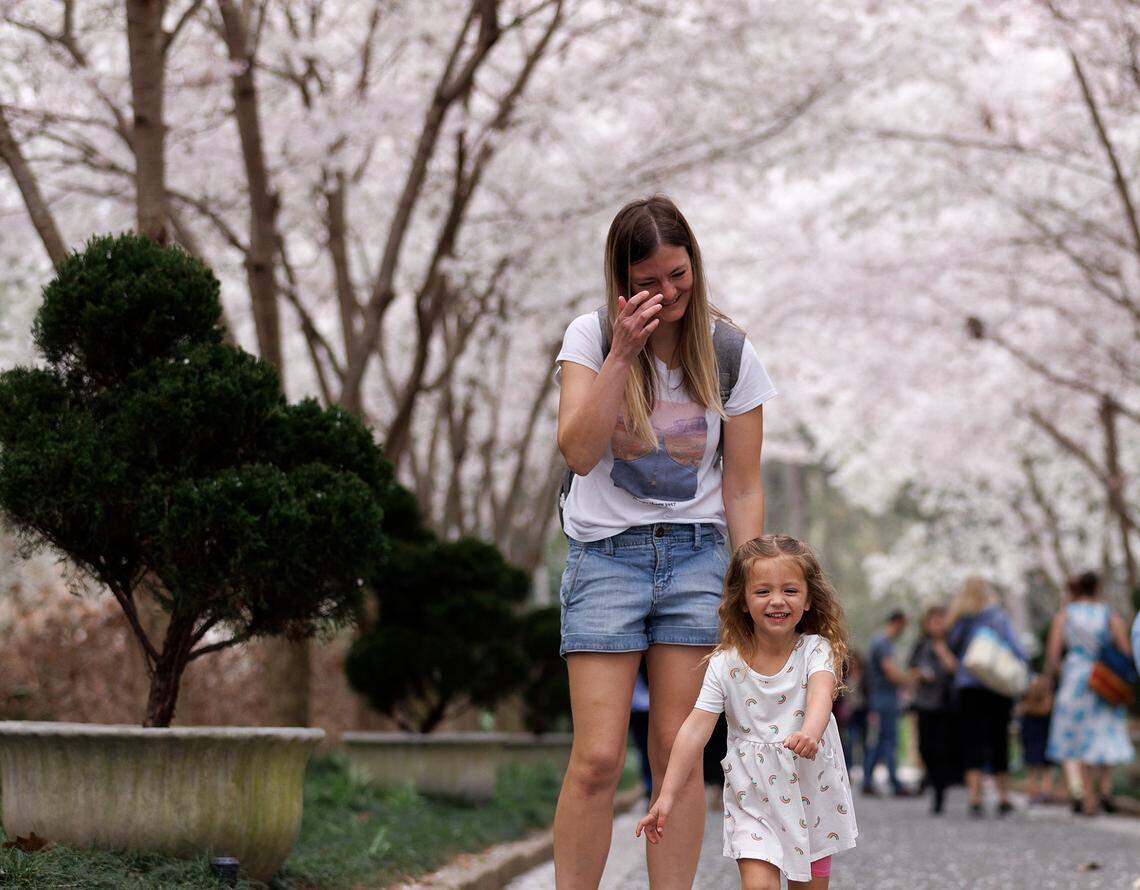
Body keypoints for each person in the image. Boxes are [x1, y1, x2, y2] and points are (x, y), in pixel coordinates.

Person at [552, 195, 777, 888]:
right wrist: (623, 351)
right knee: (595, 758)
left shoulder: (730, 352)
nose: (668, 292)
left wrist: (752, 590)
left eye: (678, 274)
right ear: (621, 282)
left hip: (696, 561)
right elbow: (580, 452)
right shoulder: (590, 338)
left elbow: (741, 487)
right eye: (649, 282)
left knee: (673, 757)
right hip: (605, 559)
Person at [635, 535, 857, 890]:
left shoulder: (817, 650)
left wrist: (811, 733)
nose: (777, 601)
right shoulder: (725, 664)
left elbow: (821, 694)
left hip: (810, 788)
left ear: (808, 598)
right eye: (763, 591)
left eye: (790, 590)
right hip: (752, 792)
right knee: (758, 886)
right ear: (741, 600)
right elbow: (694, 729)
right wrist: (667, 794)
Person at [1044, 571, 1135, 816]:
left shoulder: (1065, 615)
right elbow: (1126, 650)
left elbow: (1053, 655)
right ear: (1098, 588)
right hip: (1104, 679)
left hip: (1076, 680)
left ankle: (1087, 797)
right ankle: (1106, 789)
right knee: (1104, 733)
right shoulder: (1108, 614)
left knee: (1080, 738)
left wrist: (1051, 679)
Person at [945, 577, 1027, 817]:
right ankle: (1003, 797)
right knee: (999, 739)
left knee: (973, 740)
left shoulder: (959, 620)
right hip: (995, 685)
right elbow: (1016, 647)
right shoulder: (996, 616)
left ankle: (975, 797)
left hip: (968, 686)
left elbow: (952, 647)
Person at [907, 605, 960, 814]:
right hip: (924, 703)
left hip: (945, 705)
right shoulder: (920, 644)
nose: (936, 625)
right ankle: (932, 779)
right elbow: (910, 670)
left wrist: (942, 651)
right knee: (924, 748)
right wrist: (919, 674)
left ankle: (939, 792)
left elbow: (955, 669)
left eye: (940, 621)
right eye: (933, 621)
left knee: (941, 749)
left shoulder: (951, 643)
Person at [862, 610, 910, 796]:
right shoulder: (883, 643)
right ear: (897, 623)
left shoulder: (878, 642)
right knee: (888, 740)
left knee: (878, 740)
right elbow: (891, 671)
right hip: (884, 698)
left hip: (879, 698)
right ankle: (894, 782)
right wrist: (909, 679)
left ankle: (868, 779)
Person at [1017, 673, 1056, 805]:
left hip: (1034, 740)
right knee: (1045, 769)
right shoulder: (1048, 704)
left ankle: (1035, 793)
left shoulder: (1026, 707)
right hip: (1042, 740)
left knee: (1033, 769)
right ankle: (1045, 792)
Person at [834, 650, 867, 773]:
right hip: (849, 714)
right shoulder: (844, 676)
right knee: (849, 741)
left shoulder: (864, 676)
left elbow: (867, 693)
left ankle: (865, 772)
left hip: (862, 711)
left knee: (864, 742)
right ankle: (847, 769)